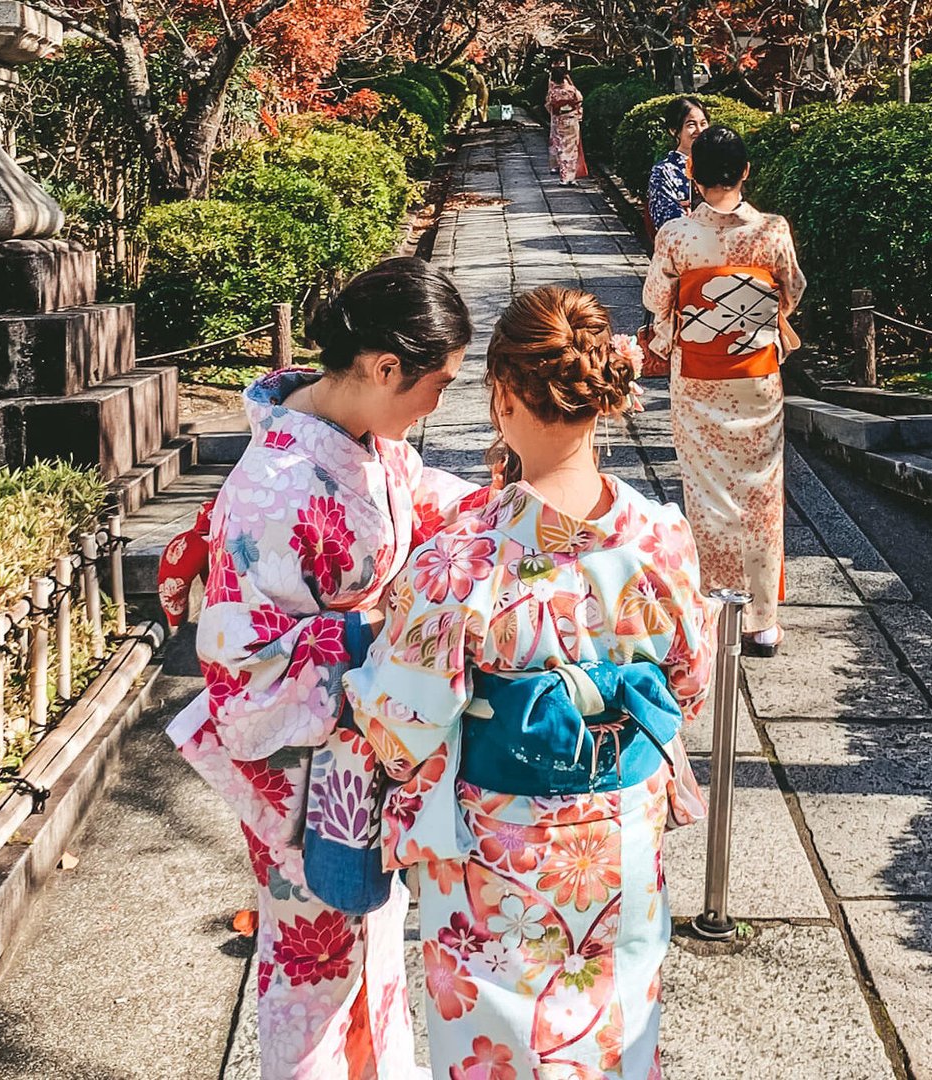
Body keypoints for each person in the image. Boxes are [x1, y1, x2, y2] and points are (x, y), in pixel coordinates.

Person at [344, 286, 715, 1078]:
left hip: (494, 852)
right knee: (616, 1032)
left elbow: (399, 724)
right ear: (599, 393)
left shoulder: (465, 556)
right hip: (621, 834)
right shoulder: (664, 536)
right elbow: (688, 687)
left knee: (496, 1047)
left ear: (504, 396)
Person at [165, 257, 482, 1079]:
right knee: (312, 956)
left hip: (349, 748)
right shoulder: (274, 487)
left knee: (366, 936)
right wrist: (366, 636)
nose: (440, 402)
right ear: (385, 369)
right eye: (437, 384)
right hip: (300, 759)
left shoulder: (351, 435)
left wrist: (502, 508)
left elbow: (413, 494)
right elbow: (245, 670)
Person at [643, 125, 806, 658]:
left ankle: (715, 607)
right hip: (757, 375)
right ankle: (762, 621)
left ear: (692, 172)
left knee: (706, 491)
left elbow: (656, 300)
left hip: (698, 377)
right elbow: (792, 290)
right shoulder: (773, 231)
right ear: (746, 171)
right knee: (760, 489)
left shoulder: (677, 237)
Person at [646, 96, 709, 236]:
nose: (699, 130)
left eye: (703, 123)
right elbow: (667, 222)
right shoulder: (664, 172)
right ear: (674, 130)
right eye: (691, 125)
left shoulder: (718, 164)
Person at [545, 65, 586, 185]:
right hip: (571, 120)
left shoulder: (553, 92)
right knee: (572, 148)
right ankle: (572, 178)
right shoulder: (571, 90)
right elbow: (579, 100)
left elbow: (549, 105)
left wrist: (556, 113)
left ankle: (563, 178)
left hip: (559, 121)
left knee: (561, 148)